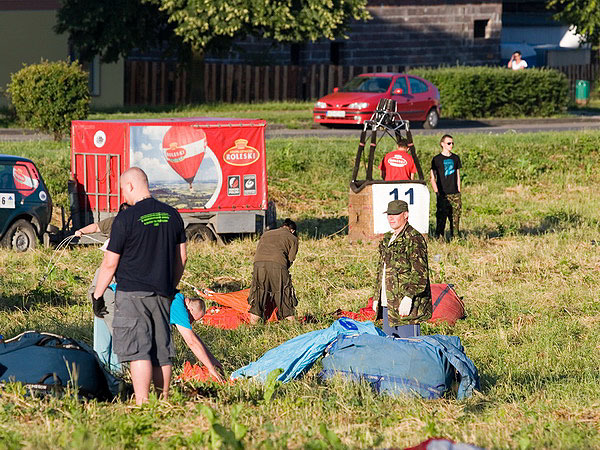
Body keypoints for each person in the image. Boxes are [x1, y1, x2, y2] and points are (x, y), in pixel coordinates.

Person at [92, 167, 187, 405]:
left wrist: (98, 294)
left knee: (139, 351)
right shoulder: (172, 214)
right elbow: (182, 257)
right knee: (161, 353)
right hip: (162, 293)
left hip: (132, 294)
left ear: (131, 186)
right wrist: (170, 286)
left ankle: (143, 404)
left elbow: (110, 262)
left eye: (123, 189)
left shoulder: (125, 218)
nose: (124, 195)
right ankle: (162, 402)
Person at [373, 200, 431, 336]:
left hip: (407, 308)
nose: (391, 218)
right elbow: (381, 270)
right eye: (389, 214)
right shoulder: (387, 239)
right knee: (392, 349)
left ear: (406, 215)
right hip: (388, 303)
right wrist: (377, 296)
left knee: (410, 350)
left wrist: (409, 297)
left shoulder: (414, 239)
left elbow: (420, 273)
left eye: (395, 214)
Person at [247, 218, 298, 325]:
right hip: (278, 264)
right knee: (283, 292)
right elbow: (291, 258)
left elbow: (259, 250)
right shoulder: (293, 238)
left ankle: (252, 324)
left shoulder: (266, 234)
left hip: (258, 264)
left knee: (258, 292)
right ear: (292, 230)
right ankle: (292, 325)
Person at [169, 293, 224, 382]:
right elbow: (192, 341)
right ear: (190, 309)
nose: (190, 322)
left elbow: (194, 337)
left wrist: (213, 360)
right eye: (192, 318)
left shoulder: (177, 297)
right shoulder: (178, 307)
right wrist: (211, 369)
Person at [430, 134, 462, 240]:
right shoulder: (436, 159)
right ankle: (439, 238)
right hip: (443, 193)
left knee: (455, 218)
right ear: (442, 144)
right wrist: (437, 192)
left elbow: (458, 175)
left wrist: (458, 190)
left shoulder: (455, 158)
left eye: (452, 143)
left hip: (455, 192)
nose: (451, 145)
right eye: (449, 143)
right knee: (441, 218)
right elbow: (432, 178)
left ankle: (455, 238)